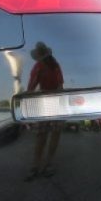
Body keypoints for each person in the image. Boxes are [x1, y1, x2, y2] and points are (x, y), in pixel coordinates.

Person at [24, 42, 64, 181]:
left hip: (45, 101)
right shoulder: (56, 65)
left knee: (42, 135)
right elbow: (60, 86)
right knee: (54, 134)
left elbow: (31, 86)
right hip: (56, 101)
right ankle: (47, 164)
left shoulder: (39, 66)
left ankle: (36, 166)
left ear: (40, 55)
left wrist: (28, 97)